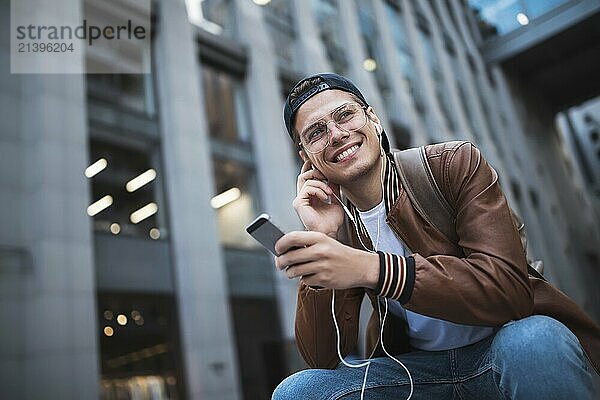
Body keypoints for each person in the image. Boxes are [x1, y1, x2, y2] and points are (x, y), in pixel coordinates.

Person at [271, 73, 599, 400]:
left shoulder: (452, 164)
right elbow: (322, 358)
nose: (337, 134)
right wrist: (320, 239)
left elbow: (508, 289)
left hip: (503, 349)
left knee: (537, 339)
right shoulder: (337, 224)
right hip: (420, 376)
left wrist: (375, 270)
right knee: (298, 392)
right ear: (306, 158)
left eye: (345, 115)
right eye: (317, 133)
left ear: (373, 118)